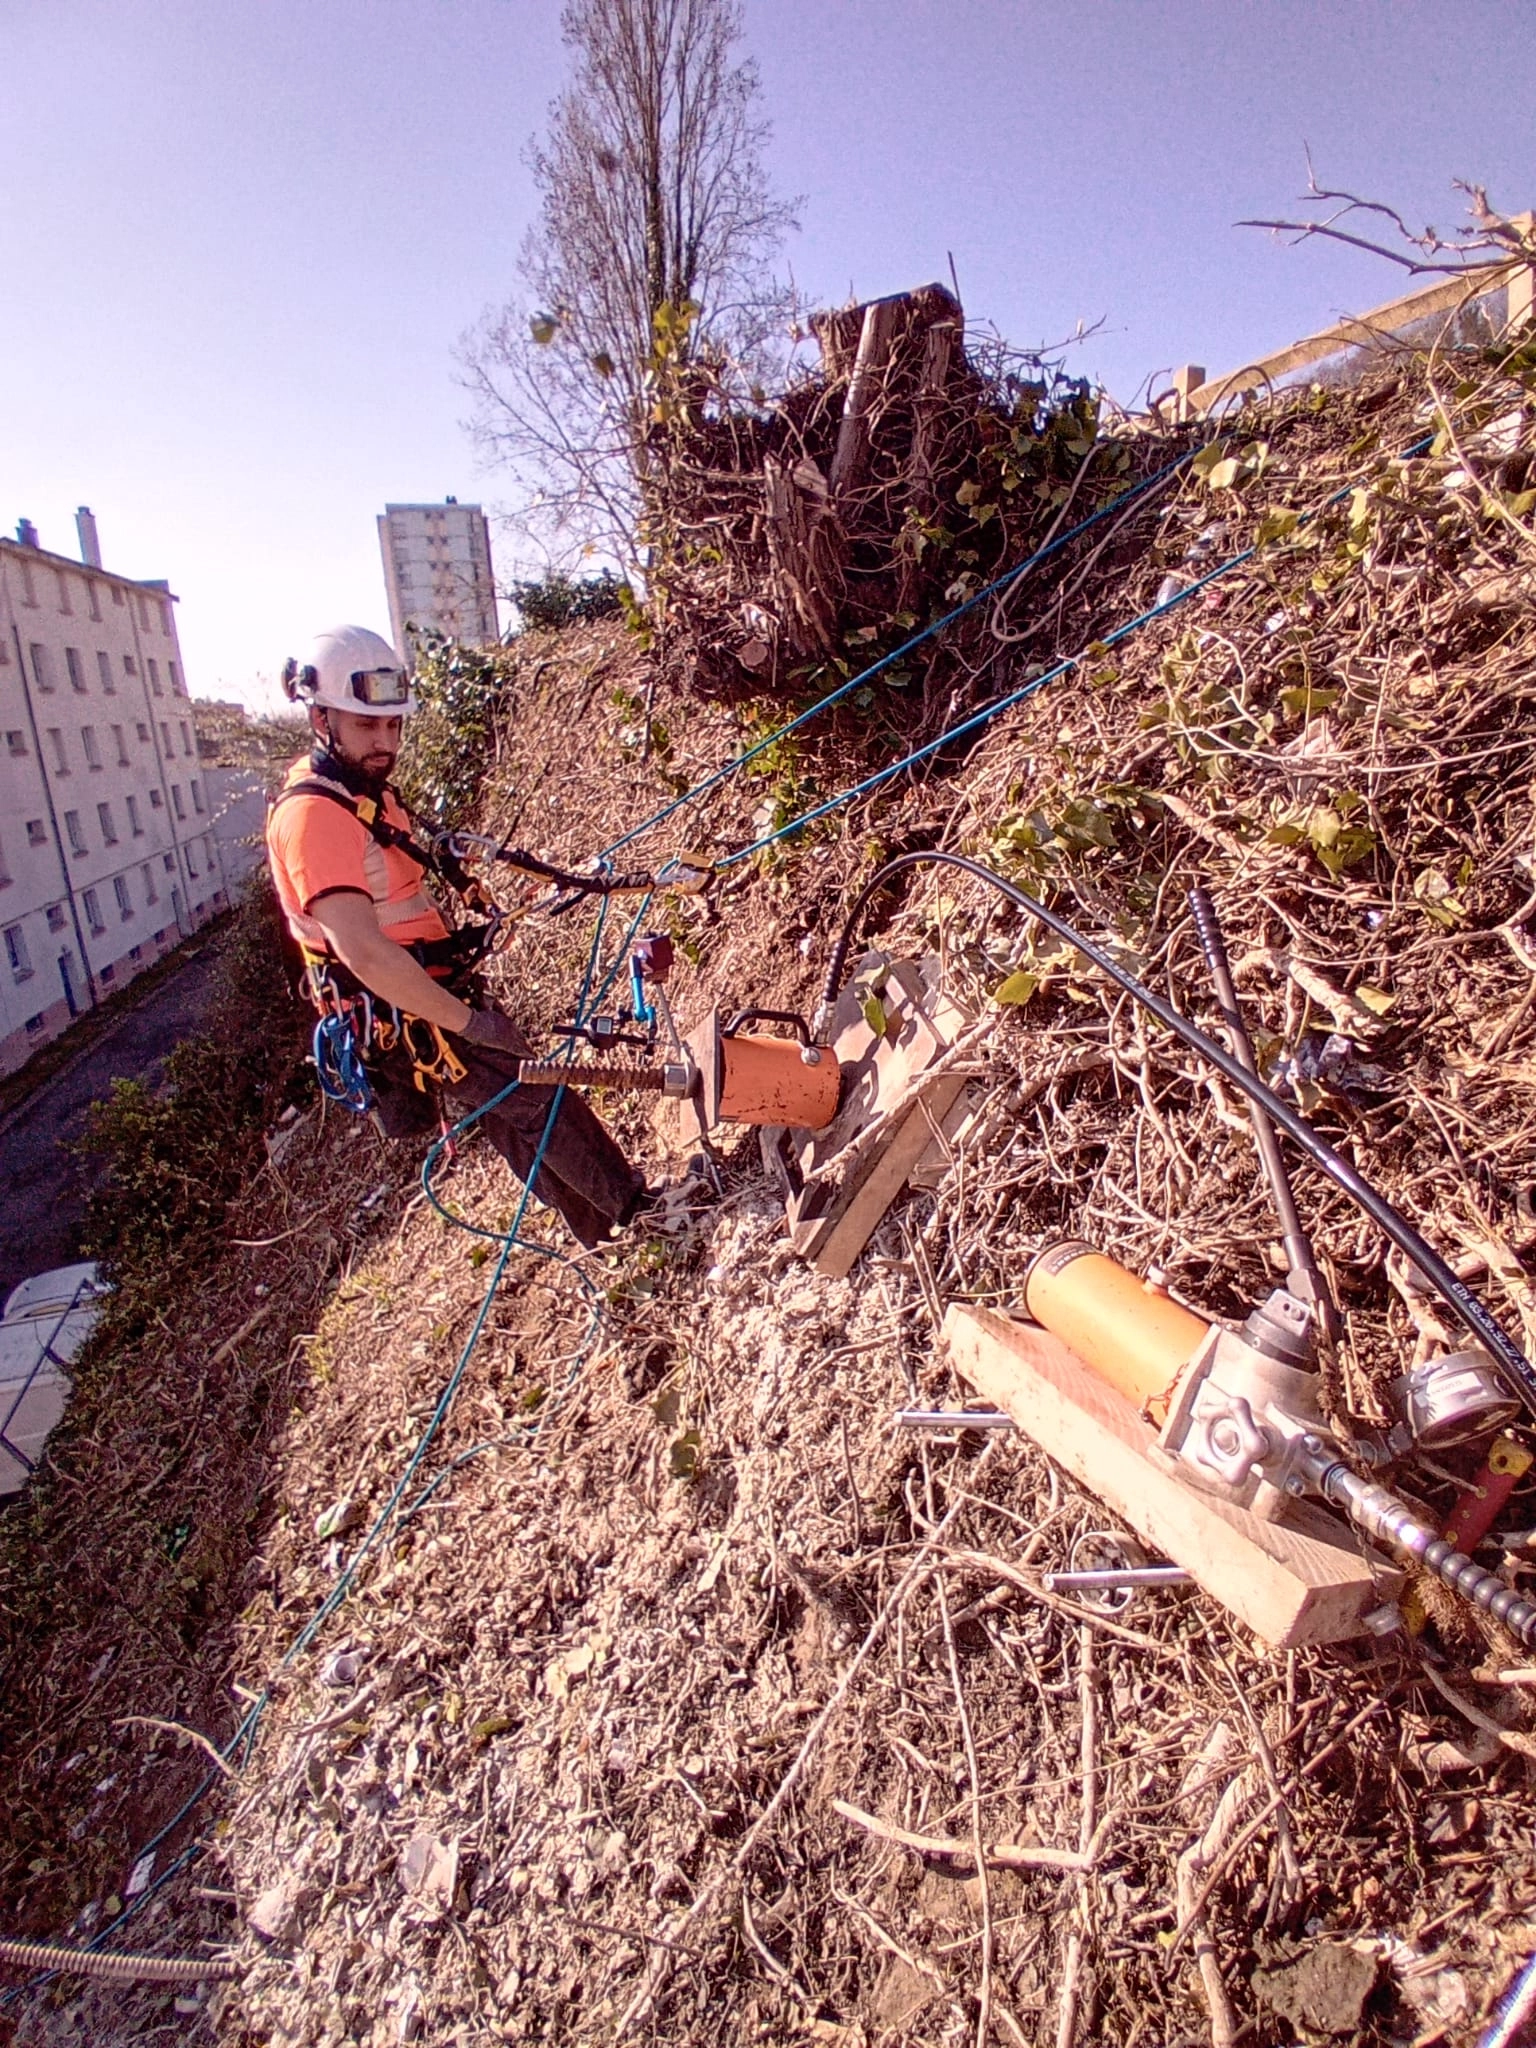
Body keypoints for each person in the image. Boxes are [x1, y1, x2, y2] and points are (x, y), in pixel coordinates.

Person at [265, 624, 648, 1248]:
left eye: (393, 725)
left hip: (431, 993)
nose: (385, 741)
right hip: (411, 1009)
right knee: (536, 1097)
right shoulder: (313, 816)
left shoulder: (358, 790)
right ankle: (638, 1215)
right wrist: (467, 1022)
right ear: (320, 717)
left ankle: (605, 1235)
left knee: (516, 1116)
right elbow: (363, 951)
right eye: (366, 725)